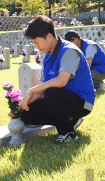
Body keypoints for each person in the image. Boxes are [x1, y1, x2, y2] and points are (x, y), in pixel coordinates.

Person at [16, 16, 95, 144]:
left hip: (82, 103)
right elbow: (41, 88)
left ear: (49, 36)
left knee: (51, 92)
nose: (36, 47)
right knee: (26, 115)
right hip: (61, 99)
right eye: (34, 44)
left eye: (37, 42)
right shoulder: (48, 56)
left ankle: (68, 133)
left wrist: (31, 90)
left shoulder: (69, 50)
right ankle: (70, 120)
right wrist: (22, 104)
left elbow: (61, 81)